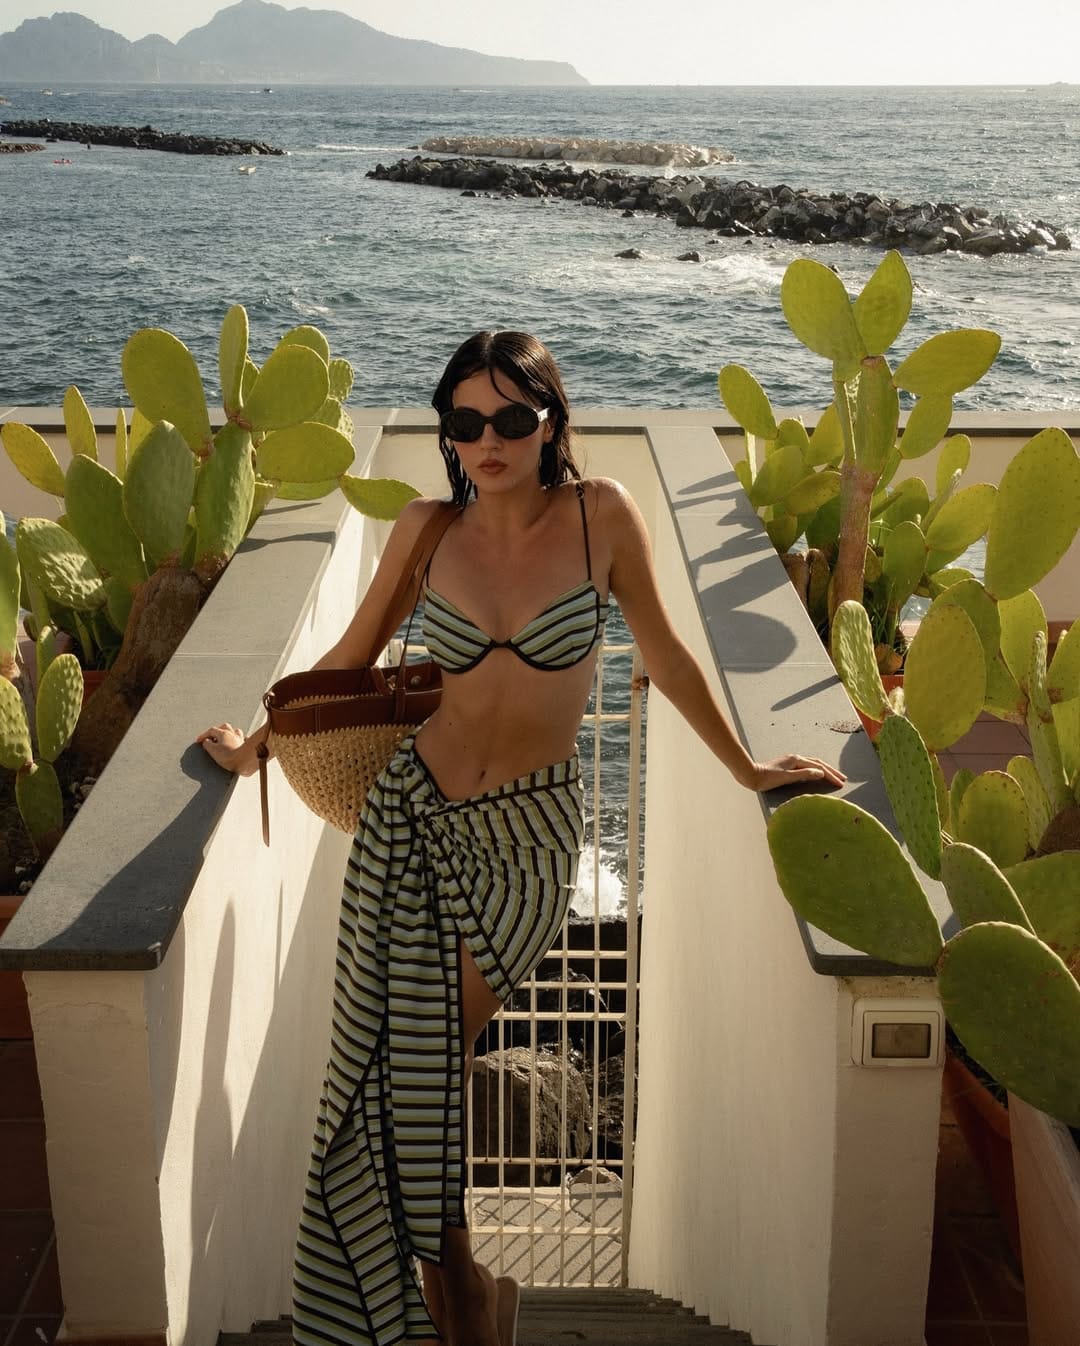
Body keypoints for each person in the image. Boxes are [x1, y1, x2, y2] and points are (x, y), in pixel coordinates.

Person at [198, 331, 844, 1346]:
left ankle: (460, 1293)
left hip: (529, 838)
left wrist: (751, 767)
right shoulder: (423, 530)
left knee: (414, 1067)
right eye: (465, 421)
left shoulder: (603, 520)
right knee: (389, 1073)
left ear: (551, 421)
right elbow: (343, 662)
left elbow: (668, 659)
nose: (487, 440)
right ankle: (459, 1295)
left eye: (510, 417)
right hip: (409, 823)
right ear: (448, 434)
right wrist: (253, 748)